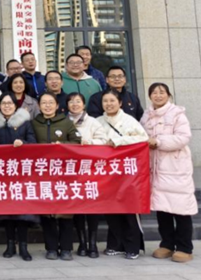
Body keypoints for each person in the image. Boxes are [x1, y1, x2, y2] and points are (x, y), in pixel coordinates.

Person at [141, 83, 197, 263]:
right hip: (156, 169)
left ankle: (184, 247)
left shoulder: (177, 114)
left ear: (169, 95)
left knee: (181, 209)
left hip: (175, 168)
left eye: (162, 92)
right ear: (150, 96)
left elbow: (183, 137)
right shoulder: (147, 116)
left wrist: (158, 142)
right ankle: (166, 244)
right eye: (154, 93)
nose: (158, 95)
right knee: (162, 208)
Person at [96, 89, 149, 260]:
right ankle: (115, 244)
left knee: (129, 209)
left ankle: (133, 246)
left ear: (120, 103)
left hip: (127, 173)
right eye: (105, 101)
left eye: (112, 100)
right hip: (106, 173)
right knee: (111, 209)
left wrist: (118, 141)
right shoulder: (97, 121)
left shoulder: (129, 120)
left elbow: (143, 138)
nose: (109, 104)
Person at [32, 92, 81, 261]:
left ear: (57, 105)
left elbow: (77, 142)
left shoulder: (66, 122)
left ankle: (66, 248)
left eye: (50, 103)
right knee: (47, 212)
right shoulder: (34, 123)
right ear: (39, 106)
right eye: (44, 103)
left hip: (63, 173)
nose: (47, 106)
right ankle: (51, 248)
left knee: (65, 211)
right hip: (42, 173)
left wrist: (63, 145)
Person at [0, 93, 38, 262]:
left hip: (22, 173)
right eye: (3, 103)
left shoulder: (25, 122)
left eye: (10, 103)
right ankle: (10, 245)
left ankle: (23, 246)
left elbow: (33, 143)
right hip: (2, 173)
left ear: (15, 106)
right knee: (7, 212)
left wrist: (24, 144)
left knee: (22, 212)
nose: (7, 106)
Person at [66, 92, 108, 258]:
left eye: (78, 101)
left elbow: (103, 140)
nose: (75, 104)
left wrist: (89, 143)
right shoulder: (64, 121)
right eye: (71, 102)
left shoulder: (93, 122)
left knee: (92, 207)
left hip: (90, 169)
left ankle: (92, 243)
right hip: (71, 170)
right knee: (77, 207)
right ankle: (82, 243)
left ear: (84, 105)